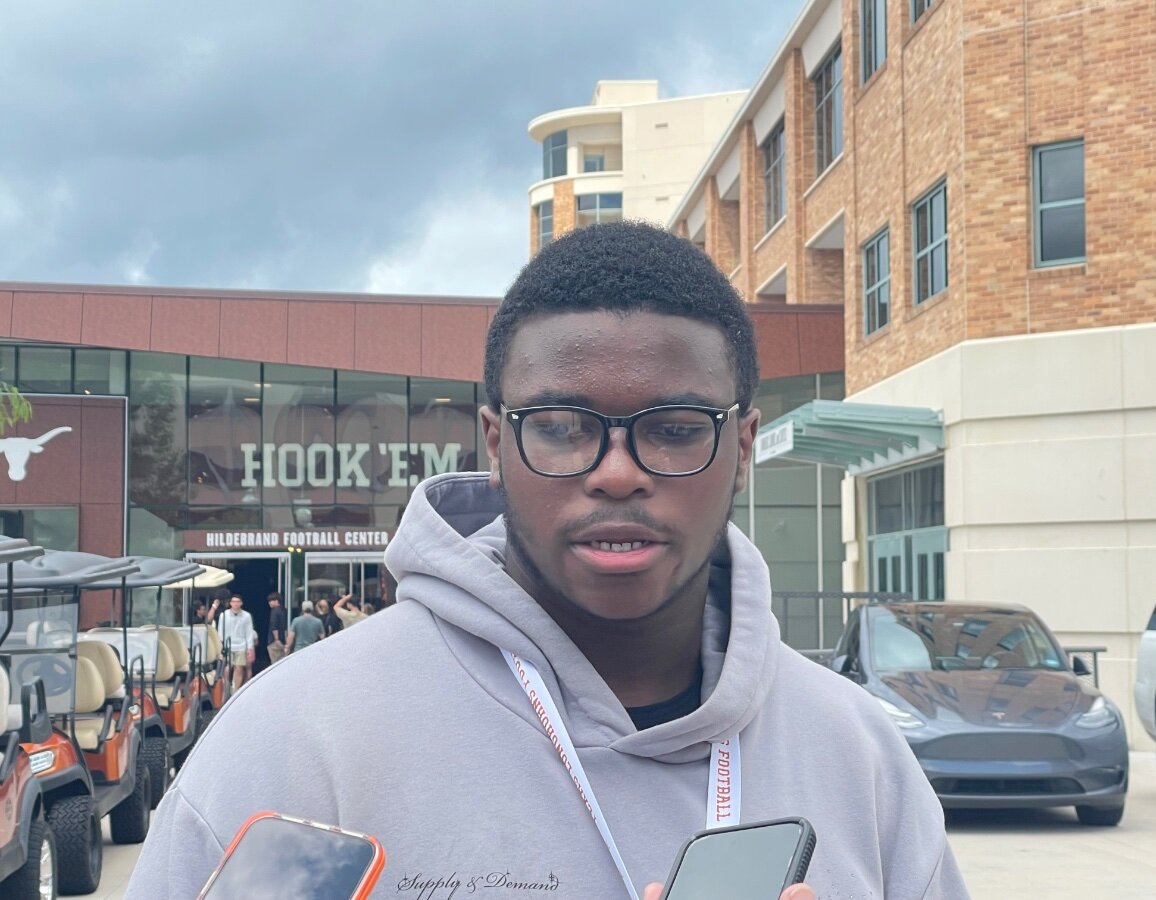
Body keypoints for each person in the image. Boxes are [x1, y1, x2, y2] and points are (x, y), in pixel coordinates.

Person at [127, 222, 967, 899]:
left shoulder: (858, 756)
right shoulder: (296, 740)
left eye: (676, 429)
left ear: (742, 448)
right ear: (496, 444)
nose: (617, 473)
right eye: (563, 427)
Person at [213, 594, 256, 692]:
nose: (235, 604)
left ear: (241, 603)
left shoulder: (246, 616)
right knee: (227, 667)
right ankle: (226, 687)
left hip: (241, 645)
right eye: (233, 602)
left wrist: (250, 648)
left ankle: (236, 690)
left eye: (237, 602)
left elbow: (249, 633)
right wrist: (220, 646)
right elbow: (220, 631)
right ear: (230, 603)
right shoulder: (224, 615)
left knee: (239, 668)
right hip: (227, 646)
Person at [265, 592, 286, 664]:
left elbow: (274, 626)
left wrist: (276, 639)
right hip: (283, 640)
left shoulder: (274, 611)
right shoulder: (283, 610)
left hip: (274, 641)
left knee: (275, 662)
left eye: (271, 601)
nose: (269, 603)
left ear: (276, 601)